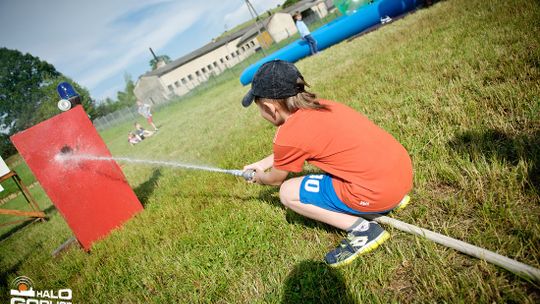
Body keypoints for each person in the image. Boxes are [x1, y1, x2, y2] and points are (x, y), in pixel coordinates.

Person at [241, 60, 413, 267]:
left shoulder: (289, 135)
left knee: (287, 192)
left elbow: (275, 179)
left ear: (270, 108)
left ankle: (364, 231)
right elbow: (293, 148)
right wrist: (262, 162)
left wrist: (258, 177)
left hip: (378, 194)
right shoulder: (326, 106)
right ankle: (389, 201)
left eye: (259, 108)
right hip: (401, 178)